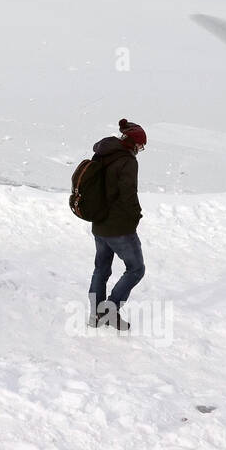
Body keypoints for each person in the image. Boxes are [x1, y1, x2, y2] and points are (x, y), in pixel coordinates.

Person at [88, 119, 146, 331]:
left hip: (99, 223)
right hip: (119, 228)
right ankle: (109, 310)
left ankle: (95, 314)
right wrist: (135, 217)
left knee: (101, 269)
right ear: (133, 143)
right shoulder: (128, 161)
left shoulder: (102, 153)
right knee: (136, 269)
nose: (140, 150)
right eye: (140, 145)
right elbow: (128, 194)